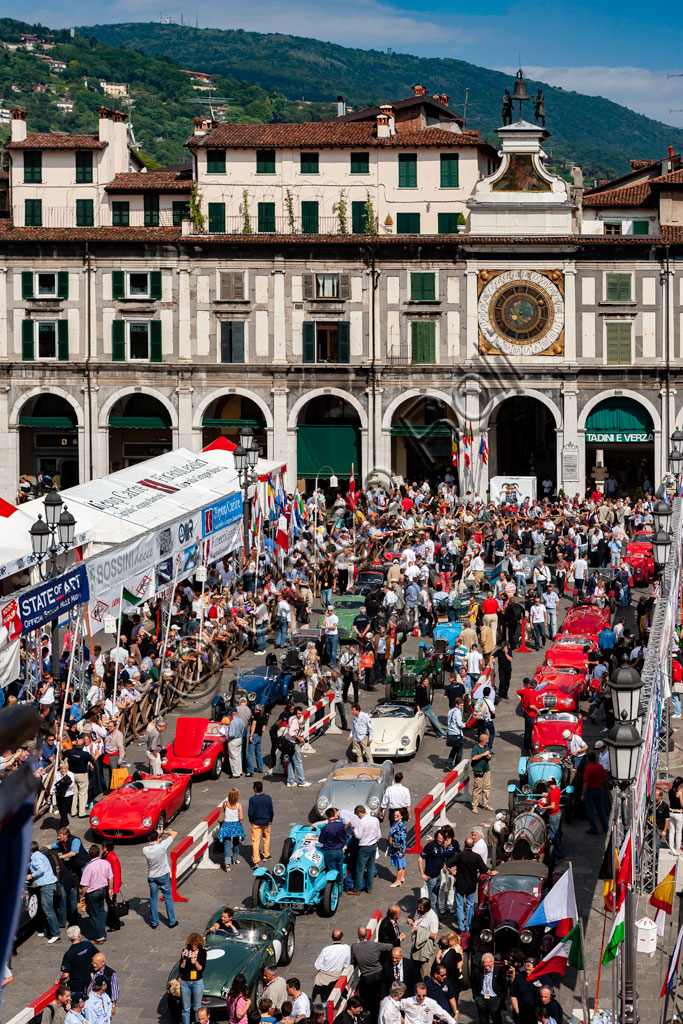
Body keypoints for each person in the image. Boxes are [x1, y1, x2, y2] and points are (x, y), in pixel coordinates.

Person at [447, 837, 495, 932]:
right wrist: (493, 872)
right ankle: (468, 926)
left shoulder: (459, 855)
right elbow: (485, 870)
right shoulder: (476, 857)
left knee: (460, 906)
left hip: (460, 884)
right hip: (471, 885)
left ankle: (461, 926)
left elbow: (448, 864)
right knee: (470, 905)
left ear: (464, 845)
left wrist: (453, 871)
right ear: (473, 846)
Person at [351, 927, 394, 1020]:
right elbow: (390, 946)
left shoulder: (354, 947)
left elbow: (352, 960)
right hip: (378, 974)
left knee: (368, 998)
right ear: (367, 935)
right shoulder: (374, 945)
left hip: (366, 977)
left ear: (357, 935)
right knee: (378, 996)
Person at [141, 826, 178, 929]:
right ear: (158, 837)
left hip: (152, 876)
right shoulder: (162, 846)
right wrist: (162, 831)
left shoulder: (145, 850)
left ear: (149, 838)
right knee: (168, 897)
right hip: (163, 875)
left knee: (153, 899)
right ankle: (171, 921)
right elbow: (174, 833)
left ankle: (154, 922)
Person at [78, 844, 113, 945]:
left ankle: (99, 937)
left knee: (94, 915)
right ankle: (103, 934)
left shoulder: (88, 867)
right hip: (103, 890)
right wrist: (110, 889)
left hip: (92, 892)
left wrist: (82, 896)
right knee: (101, 912)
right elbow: (110, 878)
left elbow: (85, 885)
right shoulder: (105, 863)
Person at [27, 840, 61, 943]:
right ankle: (47, 931)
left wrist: (31, 875)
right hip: (47, 885)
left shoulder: (36, 857)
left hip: (46, 886)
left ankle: (55, 933)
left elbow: (40, 870)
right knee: (45, 909)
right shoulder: (38, 855)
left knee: (48, 911)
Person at [349, 804, 381, 895]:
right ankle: (369, 888)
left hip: (364, 847)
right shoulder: (375, 819)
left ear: (360, 813)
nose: (358, 817)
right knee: (370, 868)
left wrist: (354, 831)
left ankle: (357, 890)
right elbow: (379, 835)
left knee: (360, 869)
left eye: (357, 815)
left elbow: (359, 836)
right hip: (373, 846)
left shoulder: (362, 822)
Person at [312, 929, 351, 1003]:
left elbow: (317, 965)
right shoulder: (346, 948)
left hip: (323, 979)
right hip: (336, 978)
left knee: (324, 1000)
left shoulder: (326, 950)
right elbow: (347, 964)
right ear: (342, 938)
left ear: (332, 937)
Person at [178, 932, 207, 1024]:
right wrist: (184, 959)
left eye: (195, 944)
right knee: (185, 1009)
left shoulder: (202, 952)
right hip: (185, 982)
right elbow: (181, 968)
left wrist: (195, 962)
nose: (193, 946)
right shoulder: (185, 951)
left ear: (199, 943)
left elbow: (201, 969)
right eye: (192, 944)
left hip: (197, 982)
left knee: (197, 1008)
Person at [408, 898, 439, 980]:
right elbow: (416, 922)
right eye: (418, 907)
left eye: (421, 908)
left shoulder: (433, 917)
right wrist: (412, 922)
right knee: (414, 970)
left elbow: (434, 935)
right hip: (416, 944)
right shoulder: (418, 911)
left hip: (424, 948)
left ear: (427, 908)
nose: (418, 909)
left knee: (425, 973)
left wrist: (420, 931)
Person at [59, 927, 98, 994]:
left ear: (69, 938)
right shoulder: (88, 944)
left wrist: (60, 981)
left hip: (76, 985)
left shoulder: (69, 954)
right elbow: (98, 955)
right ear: (79, 935)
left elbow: (65, 974)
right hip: (90, 979)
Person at [472, 953, 507, 1024]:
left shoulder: (499, 971)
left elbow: (504, 986)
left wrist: (501, 998)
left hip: (495, 999)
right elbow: (474, 984)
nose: (487, 967)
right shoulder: (477, 971)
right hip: (482, 999)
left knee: (497, 1020)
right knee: (483, 1021)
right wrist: (476, 998)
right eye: (485, 965)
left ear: (493, 963)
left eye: (489, 965)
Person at [218, 788, 246, 869]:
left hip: (226, 826)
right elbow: (241, 818)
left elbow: (221, 813)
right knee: (236, 842)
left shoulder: (225, 804)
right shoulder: (238, 805)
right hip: (236, 826)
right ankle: (235, 858)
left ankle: (227, 864)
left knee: (227, 844)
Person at [248, 780, 274, 865]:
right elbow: (271, 811)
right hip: (266, 821)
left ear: (255, 789)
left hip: (256, 822)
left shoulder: (252, 799)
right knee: (266, 838)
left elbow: (250, 813)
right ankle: (266, 855)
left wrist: (251, 821)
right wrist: (270, 820)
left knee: (255, 841)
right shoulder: (268, 798)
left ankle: (256, 860)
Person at [581, 753, 609, 834]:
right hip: (599, 790)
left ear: (588, 759)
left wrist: (583, 793)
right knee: (601, 809)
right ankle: (605, 827)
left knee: (591, 811)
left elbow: (586, 782)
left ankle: (594, 828)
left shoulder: (588, 768)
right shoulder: (600, 767)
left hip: (591, 791)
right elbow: (605, 778)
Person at [419, 829, 446, 907]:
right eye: (439, 838)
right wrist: (422, 874)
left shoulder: (442, 845)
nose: (440, 840)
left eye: (442, 839)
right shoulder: (430, 846)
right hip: (431, 877)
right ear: (436, 837)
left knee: (436, 897)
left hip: (439, 875)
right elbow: (420, 859)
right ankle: (434, 917)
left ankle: (434, 914)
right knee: (433, 900)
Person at [318, 807, 348, 877]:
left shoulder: (326, 827)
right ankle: (340, 886)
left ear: (327, 816)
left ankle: (333, 886)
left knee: (332, 872)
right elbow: (344, 836)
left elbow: (321, 841)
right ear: (334, 814)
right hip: (340, 850)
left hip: (330, 851)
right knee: (339, 870)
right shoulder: (341, 825)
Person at [471, 733, 495, 814]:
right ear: (483, 741)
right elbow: (474, 758)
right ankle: (474, 806)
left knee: (486, 788)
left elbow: (489, 755)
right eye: (487, 740)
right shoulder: (476, 748)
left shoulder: (485, 747)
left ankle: (485, 804)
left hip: (486, 770)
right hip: (478, 770)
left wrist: (489, 757)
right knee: (477, 788)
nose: (488, 741)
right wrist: (483, 754)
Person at [388, 810, 408, 887]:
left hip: (398, 848)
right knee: (401, 863)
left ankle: (397, 881)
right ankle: (402, 877)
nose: (395, 816)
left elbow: (403, 840)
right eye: (394, 815)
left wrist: (401, 851)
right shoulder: (396, 823)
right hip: (394, 846)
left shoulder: (401, 826)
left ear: (401, 816)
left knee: (399, 864)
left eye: (397, 815)